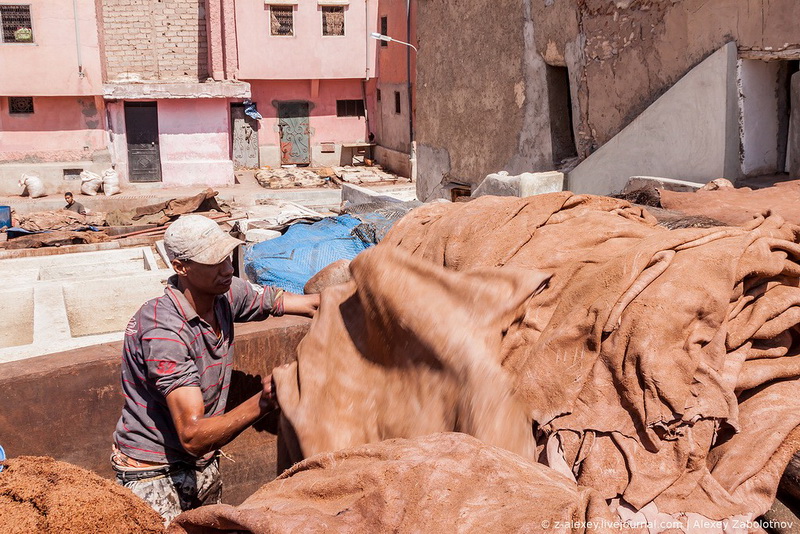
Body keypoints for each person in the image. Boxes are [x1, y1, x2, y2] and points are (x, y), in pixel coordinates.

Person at [111, 214, 319, 524]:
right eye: (214, 261)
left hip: (203, 461)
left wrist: (347, 299)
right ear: (181, 267)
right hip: (153, 472)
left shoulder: (224, 292)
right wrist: (266, 400)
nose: (229, 269)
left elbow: (296, 303)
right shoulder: (164, 331)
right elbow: (192, 435)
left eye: (227, 257)